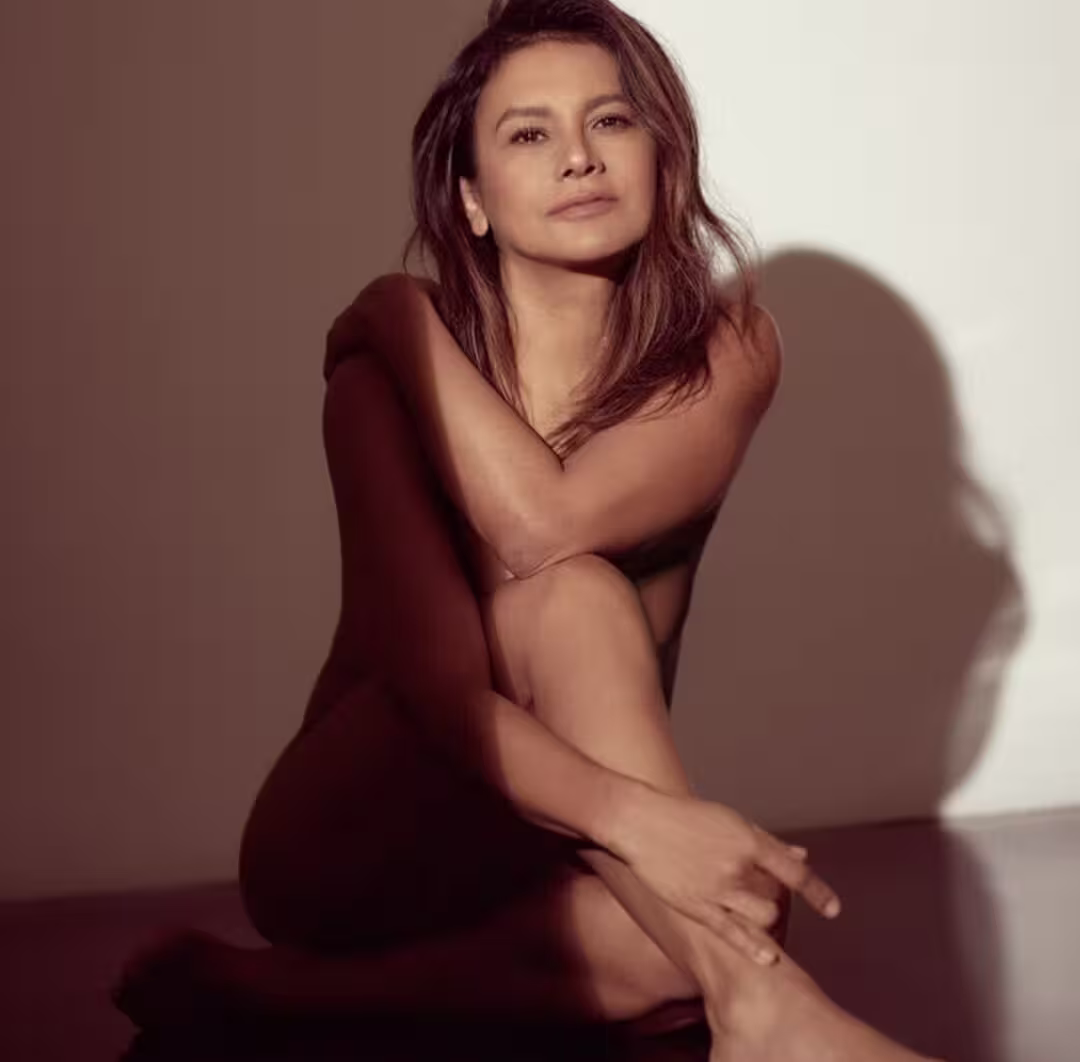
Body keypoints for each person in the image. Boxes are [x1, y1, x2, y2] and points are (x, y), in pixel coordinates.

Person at [114, 2, 943, 1058]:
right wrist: (642, 821)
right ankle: (769, 1017)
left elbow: (548, 520)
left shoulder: (726, 351)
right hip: (364, 822)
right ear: (470, 198)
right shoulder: (380, 383)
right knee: (578, 605)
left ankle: (273, 998)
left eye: (611, 121)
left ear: (663, 158)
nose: (578, 158)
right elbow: (443, 688)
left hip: (551, 840)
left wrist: (397, 313)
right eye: (528, 133)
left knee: (702, 935)